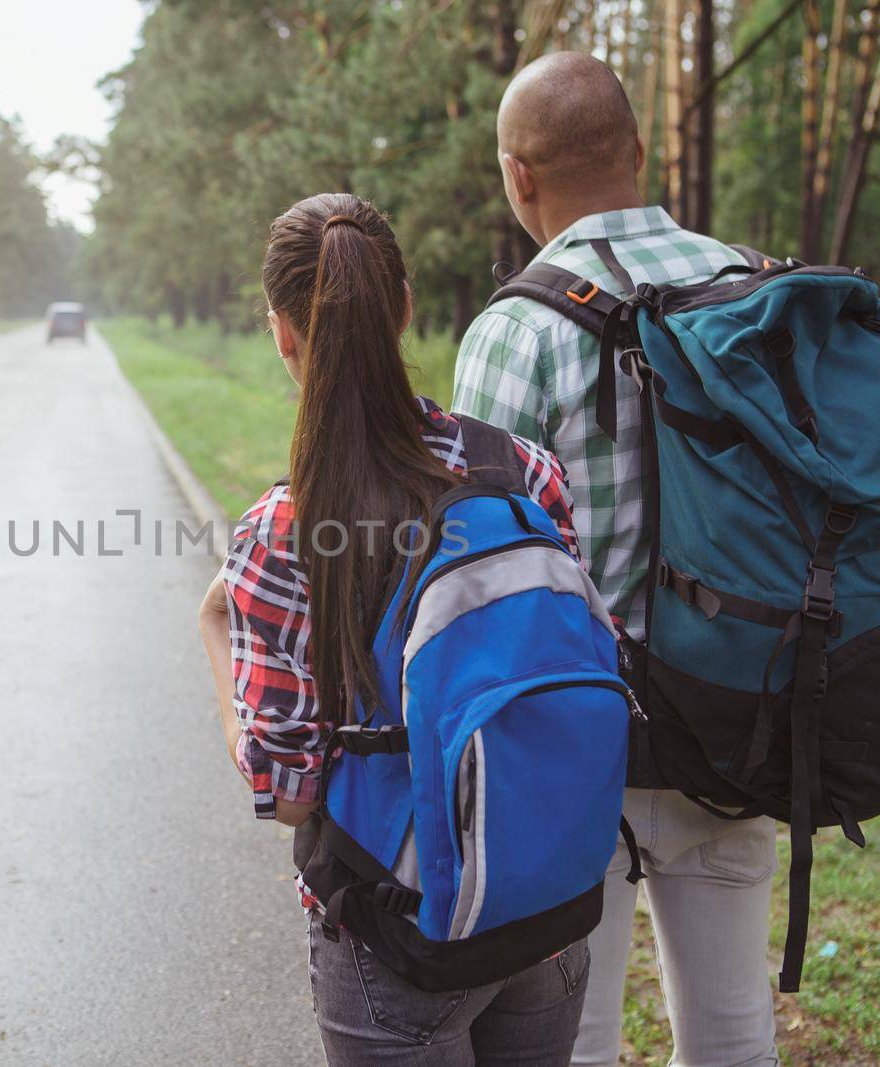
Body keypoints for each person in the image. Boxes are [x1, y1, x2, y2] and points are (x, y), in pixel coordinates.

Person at [197, 192, 592, 1065]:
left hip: (394, 934)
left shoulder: (285, 528)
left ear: (281, 333)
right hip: (539, 898)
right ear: (405, 307)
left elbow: (289, 791)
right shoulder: (521, 470)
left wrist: (214, 641)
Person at [451, 53, 779, 1067]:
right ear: (640, 151)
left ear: (518, 176)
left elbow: (467, 572)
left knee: (568, 1042)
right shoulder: (756, 290)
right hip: (738, 720)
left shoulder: (514, 330)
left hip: (568, 746)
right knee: (731, 1037)